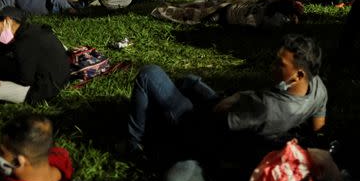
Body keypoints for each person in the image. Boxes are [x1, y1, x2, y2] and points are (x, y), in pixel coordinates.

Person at [127, 35, 327, 155]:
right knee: (190, 80)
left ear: (299, 74)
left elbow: (216, 116)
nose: (272, 67)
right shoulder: (317, 87)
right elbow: (318, 127)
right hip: (237, 115)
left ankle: (133, 143)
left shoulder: (266, 106)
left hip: (199, 131)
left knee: (149, 73)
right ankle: (157, 111)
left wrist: (235, 99)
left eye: (280, 65)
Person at [0, 6, 70, 104]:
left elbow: (25, 80)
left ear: (7, 20)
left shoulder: (23, 44)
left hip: (44, 90)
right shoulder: (29, 31)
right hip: (62, 76)